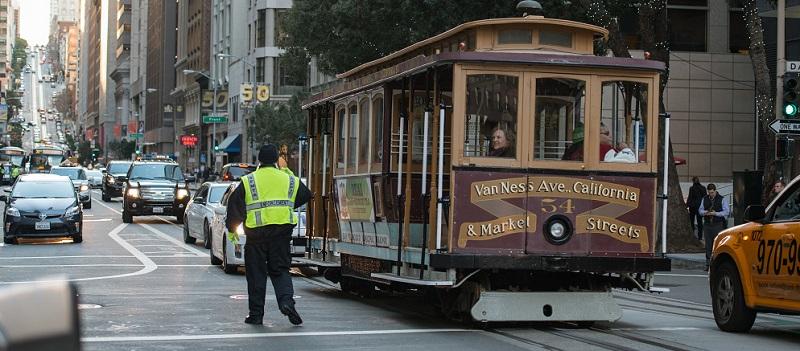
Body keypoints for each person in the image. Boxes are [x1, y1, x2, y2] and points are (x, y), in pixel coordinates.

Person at [225, 144, 311, 326]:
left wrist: (233, 228)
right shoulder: (289, 179)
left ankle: (256, 315)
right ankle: (287, 302)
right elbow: (305, 195)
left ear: (259, 161)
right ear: (275, 161)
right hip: (281, 233)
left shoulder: (249, 181)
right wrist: (287, 204)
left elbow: (235, 207)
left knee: (256, 275)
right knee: (280, 270)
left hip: (256, 235)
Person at [698, 183, 729, 270]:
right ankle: (708, 265)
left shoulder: (722, 199)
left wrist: (716, 213)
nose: (710, 194)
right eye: (709, 193)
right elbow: (700, 210)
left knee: (717, 245)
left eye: (712, 192)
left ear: (715, 191)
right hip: (707, 224)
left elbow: (726, 212)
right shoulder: (704, 199)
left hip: (718, 224)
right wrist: (705, 212)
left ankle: (717, 264)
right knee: (708, 245)